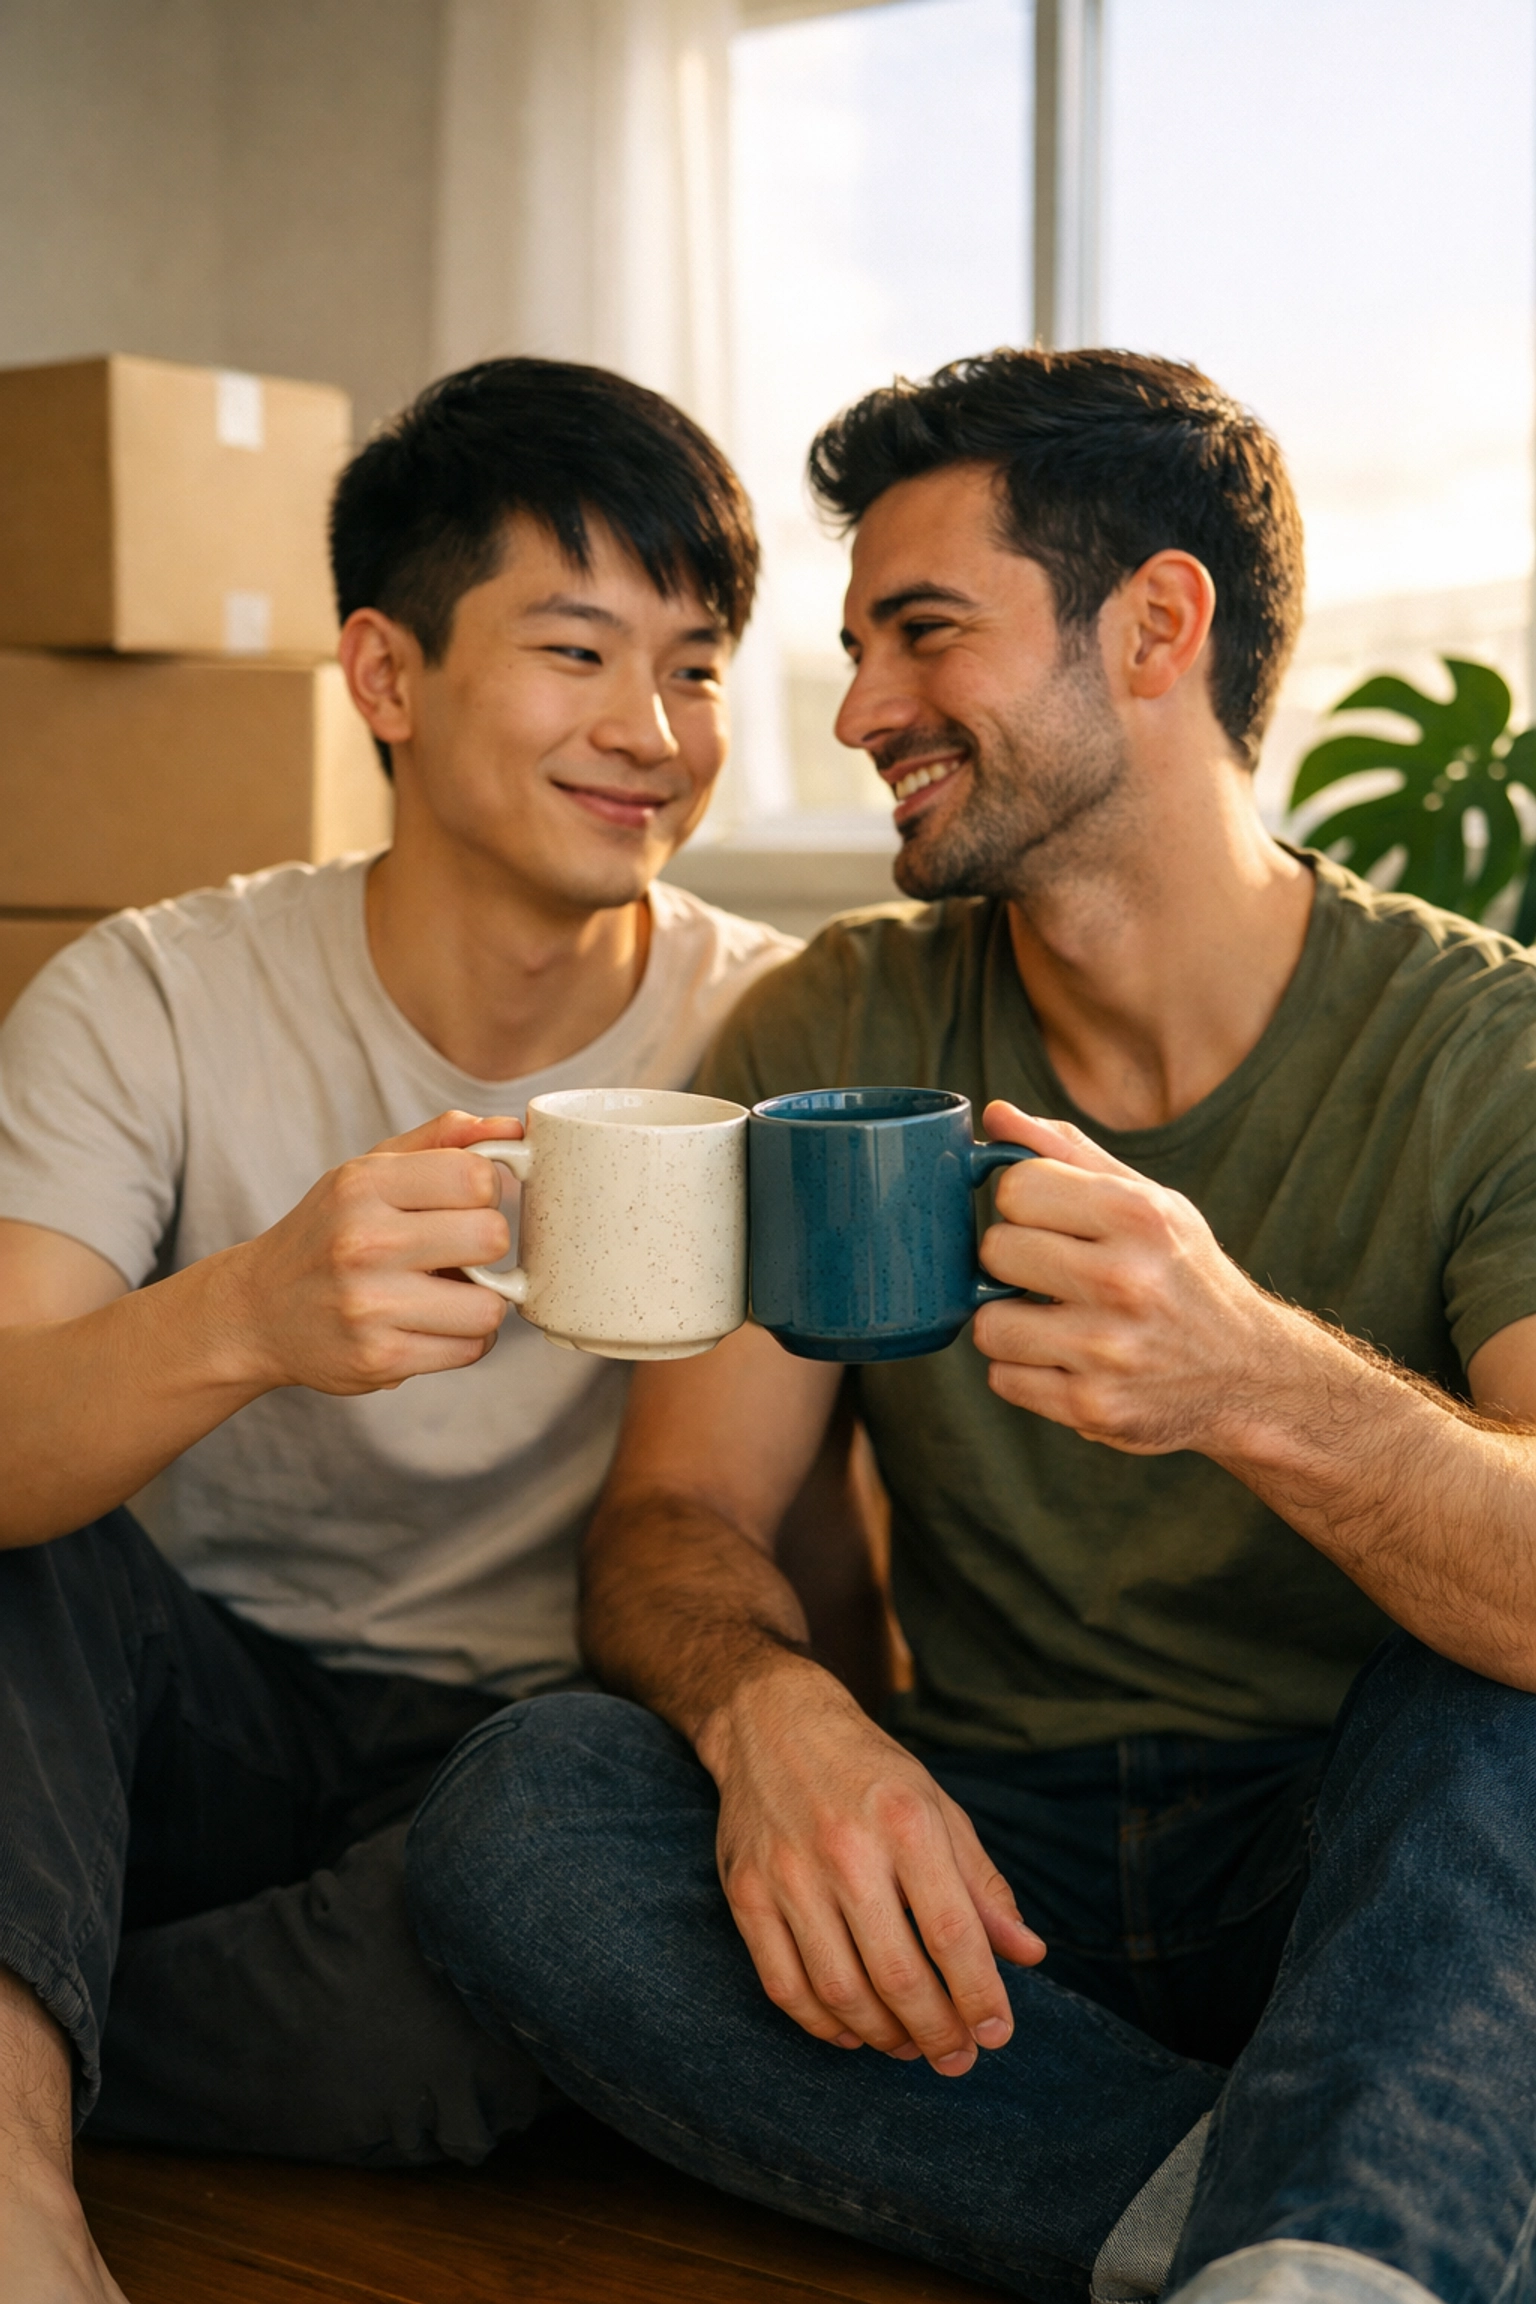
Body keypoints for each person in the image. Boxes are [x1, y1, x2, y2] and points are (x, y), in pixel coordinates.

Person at [407, 349, 1536, 2304]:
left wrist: (1255, 1379)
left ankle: (1348, 2193)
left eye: (924, 633)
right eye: (853, 648)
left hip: (1353, 1858)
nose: (855, 713)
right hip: (977, 1867)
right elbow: (680, 1525)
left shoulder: (1484, 1048)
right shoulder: (834, 1036)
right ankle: (1313, 2216)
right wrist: (779, 1718)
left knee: (1499, 1720)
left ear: (1160, 624)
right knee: (524, 1818)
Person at [0, 356, 798, 2302]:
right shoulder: (156, 996)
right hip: (193, 1719)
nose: (653, 732)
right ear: (384, 676)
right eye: (579, 651)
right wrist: (252, 1313)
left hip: (535, 1759)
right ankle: (17, 2201)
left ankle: (49, 2014)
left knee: (465, 2027)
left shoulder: (778, 1032)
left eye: (695, 667)